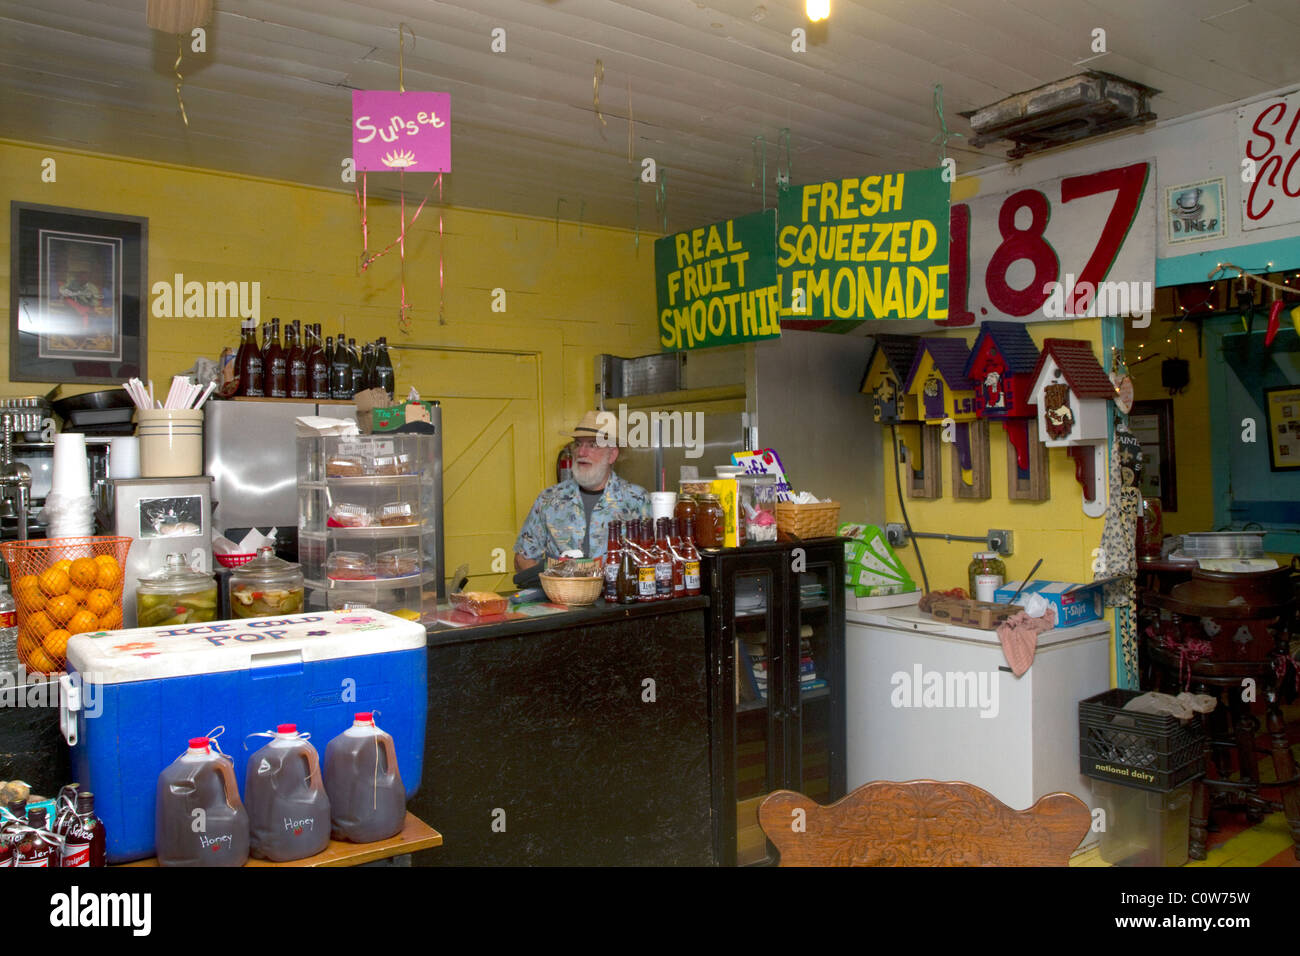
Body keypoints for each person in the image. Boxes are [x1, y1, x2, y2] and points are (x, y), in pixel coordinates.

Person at [514, 410, 650, 571]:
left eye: (593, 445)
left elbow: (654, 557)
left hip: (617, 594)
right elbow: (523, 557)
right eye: (578, 444)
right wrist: (550, 585)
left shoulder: (637, 500)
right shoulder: (549, 500)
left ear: (612, 454)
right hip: (560, 594)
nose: (581, 452)